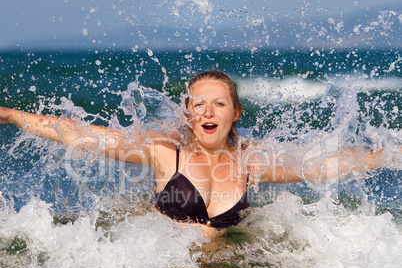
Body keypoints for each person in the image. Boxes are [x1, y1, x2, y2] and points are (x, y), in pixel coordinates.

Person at [0, 69, 388, 237]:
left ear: (235, 113)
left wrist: (390, 154)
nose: (207, 112)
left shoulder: (251, 160)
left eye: (218, 104)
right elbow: (84, 134)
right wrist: (11, 115)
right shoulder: (165, 151)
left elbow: (323, 162)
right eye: (198, 104)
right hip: (159, 264)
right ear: (188, 112)